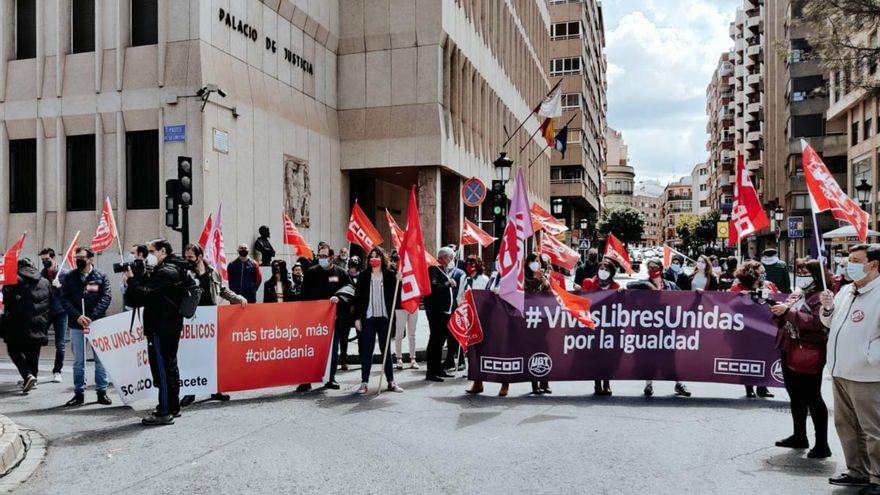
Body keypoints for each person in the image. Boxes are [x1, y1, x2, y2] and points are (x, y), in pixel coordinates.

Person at [820, 244, 880, 493]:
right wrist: (827, 308)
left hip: (866, 374)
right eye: (848, 260)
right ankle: (857, 471)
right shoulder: (846, 290)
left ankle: (877, 477)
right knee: (846, 425)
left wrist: (869, 355)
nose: (848, 264)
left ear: (874, 265)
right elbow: (830, 322)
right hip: (840, 370)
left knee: (872, 430)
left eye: (856, 260)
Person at [769, 258, 831, 459]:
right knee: (795, 395)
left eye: (807, 273)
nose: (802, 276)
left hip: (809, 350)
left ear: (817, 275)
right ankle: (799, 435)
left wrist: (788, 312)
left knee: (812, 396)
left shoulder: (824, 297)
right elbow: (784, 316)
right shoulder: (798, 294)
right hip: (789, 347)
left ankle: (822, 443)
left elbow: (817, 323)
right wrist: (778, 311)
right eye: (800, 272)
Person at [124, 239, 188, 426]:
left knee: (163, 369)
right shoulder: (175, 268)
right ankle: (173, 407)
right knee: (170, 366)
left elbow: (145, 294)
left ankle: (164, 411)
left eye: (151, 251)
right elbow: (154, 290)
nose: (148, 255)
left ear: (162, 252)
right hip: (169, 325)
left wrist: (132, 280)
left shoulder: (166, 272)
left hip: (161, 326)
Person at [179, 244, 247, 407]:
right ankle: (190, 391)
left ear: (199, 257)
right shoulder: (185, 274)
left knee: (212, 356)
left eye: (190, 257)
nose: (187, 260)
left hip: (210, 320)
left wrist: (238, 298)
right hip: (192, 320)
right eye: (185, 257)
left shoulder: (212, 273)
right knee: (193, 357)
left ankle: (215, 389)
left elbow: (222, 290)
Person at [628, 258, 691, 398]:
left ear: (661, 269)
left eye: (655, 267)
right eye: (649, 267)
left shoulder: (671, 285)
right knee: (649, 356)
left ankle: (678, 383)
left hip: (667, 328)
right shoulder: (643, 284)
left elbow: (685, 298)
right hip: (649, 327)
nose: (652, 270)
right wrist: (646, 285)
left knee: (671, 357)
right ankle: (648, 384)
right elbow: (628, 285)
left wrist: (698, 294)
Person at [60, 247, 113, 407]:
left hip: (97, 323)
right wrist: (77, 316)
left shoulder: (101, 276)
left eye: (81, 257)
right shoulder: (70, 276)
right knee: (78, 361)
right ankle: (79, 392)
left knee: (100, 359)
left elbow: (106, 297)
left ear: (90, 258)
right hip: (77, 324)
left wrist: (92, 316)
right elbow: (64, 298)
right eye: (76, 256)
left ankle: (101, 391)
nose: (78, 259)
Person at [299, 245, 351, 391]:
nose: (321, 259)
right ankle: (306, 380)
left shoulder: (341, 273)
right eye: (319, 256)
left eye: (324, 256)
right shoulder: (311, 273)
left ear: (331, 257)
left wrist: (339, 297)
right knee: (311, 350)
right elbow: (304, 296)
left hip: (334, 320)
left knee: (333, 350)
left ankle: (330, 379)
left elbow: (350, 289)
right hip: (314, 321)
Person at [352, 247, 403, 394]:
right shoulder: (363, 276)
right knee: (367, 351)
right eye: (371, 257)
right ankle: (364, 382)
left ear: (382, 258)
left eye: (377, 256)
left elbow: (397, 298)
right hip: (368, 318)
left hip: (384, 318)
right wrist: (357, 318)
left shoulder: (390, 275)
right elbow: (358, 298)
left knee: (386, 350)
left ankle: (391, 381)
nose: (374, 259)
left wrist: (400, 281)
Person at [2, 259, 51, 393]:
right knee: (33, 352)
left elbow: (6, 300)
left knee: (13, 350)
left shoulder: (14, 280)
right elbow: (50, 302)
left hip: (18, 323)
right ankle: (32, 377)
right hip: (40, 321)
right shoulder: (45, 282)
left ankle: (27, 375)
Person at [730, 260, 778, 399]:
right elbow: (729, 303)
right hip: (746, 329)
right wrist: (742, 296)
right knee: (747, 357)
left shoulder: (770, 285)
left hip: (766, 327)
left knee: (765, 356)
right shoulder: (738, 287)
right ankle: (749, 387)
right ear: (751, 273)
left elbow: (779, 298)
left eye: (764, 272)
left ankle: (763, 387)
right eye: (760, 272)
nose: (763, 275)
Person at [580, 260, 620, 396]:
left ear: (612, 273)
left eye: (607, 269)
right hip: (594, 324)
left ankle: (607, 383)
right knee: (596, 354)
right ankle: (597, 383)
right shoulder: (588, 283)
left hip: (609, 326)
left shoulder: (615, 286)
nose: (603, 271)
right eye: (601, 268)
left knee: (608, 355)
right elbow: (584, 299)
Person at [424, 246, 460, 382]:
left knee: (439, 341)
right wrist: (447, 283)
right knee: (435, 340)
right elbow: (433, 287)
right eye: (451, 258)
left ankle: (438, 369)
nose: (452, 260)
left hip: (444, 311)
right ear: (444, 258)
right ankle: (431, 371)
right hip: (436, 311)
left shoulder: (443, 270)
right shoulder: (433, 269)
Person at [38, 248, 68, 383]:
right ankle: (32, 372)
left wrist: (60, 286)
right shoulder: (41, 274)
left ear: (54, 258)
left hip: (60, 312)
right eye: (43, 260)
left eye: (47, 260)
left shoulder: (64, 273)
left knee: (60, 344)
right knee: (36, 341)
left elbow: (71, 294)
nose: (45, 262)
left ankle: (57, 371)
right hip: (45, 312)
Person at [525, 253, 552, 395]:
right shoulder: (524, 278)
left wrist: (546, 283)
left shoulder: (545, 277)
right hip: (529, 319)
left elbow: (552, 295)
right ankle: (534, 383)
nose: (535, 263)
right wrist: (535, 280)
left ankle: (545, 382)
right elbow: (526, 292)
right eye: (533, 261)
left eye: (538, 261)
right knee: (532, 350)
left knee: (545, 349)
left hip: (544, 319)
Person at [338, 256, 361, 370]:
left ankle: (362, 357)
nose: (353, 270)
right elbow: (341, 292)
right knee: (343, 336)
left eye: (355, 267)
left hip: (358, 311)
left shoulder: (362, 277)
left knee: (361, 335)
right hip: (345, 311)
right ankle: (343, 360)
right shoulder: (344, 277)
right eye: (351, 267)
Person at [121, 244, 149, 311]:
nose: (132, 255)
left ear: (140, 254)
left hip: (142, 307)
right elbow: (123, 290)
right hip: (129, 306)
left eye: (133, 253)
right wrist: (125, 284)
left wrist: (131, 278)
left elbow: (143, 289)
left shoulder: (149, 268)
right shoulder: (130, 268)